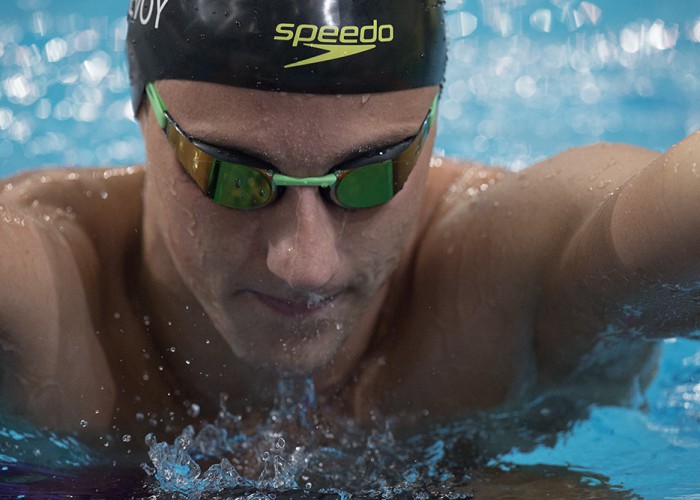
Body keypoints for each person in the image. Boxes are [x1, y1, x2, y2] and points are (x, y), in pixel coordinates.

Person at [0, 0, 698, 447]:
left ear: (432, 129)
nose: (306, 263)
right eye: (234, 177)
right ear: (143, 111)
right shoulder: (54, 302)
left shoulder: (515, 281)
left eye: (372, 175)